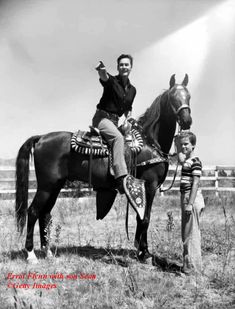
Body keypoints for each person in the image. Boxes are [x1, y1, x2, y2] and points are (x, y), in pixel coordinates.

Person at [92, 54, 145, 219]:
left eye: (126, 65)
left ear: (131, 67)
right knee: (118, 139)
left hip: (116, 121)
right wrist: (101, 71)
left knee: (130, 142)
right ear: (117, 67)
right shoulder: (112, 81)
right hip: (102, 118)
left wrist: (128, 119)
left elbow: (128, 108)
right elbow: (105, 78)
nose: (124, 67)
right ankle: (121, 177)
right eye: (121, 65)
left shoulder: (133, 90)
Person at [175, 131, 205, 274]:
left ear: (193, 145)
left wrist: (190, 203)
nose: (183, 147)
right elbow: (180, 156)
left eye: (186, 144)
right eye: (182, 144)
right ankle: (187, 266)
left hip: (191, 198)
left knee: (192, 233)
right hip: (185, 197)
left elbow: (195, 184)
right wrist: (178, 140)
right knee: (186, 232)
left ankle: (194, 268)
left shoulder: (195, 162)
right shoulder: (187, 160)